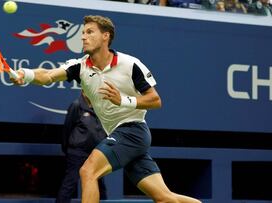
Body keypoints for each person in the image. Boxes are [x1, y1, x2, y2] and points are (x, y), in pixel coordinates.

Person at [12, 15, 201, 203]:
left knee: (88, 171)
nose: (83, 37)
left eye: (89, 32)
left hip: (132, 130)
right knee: (165, 198)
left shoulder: (130, 64)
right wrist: (25, 74)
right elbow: (48, 75)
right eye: (83, 33)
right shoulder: (80, 67)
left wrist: (123, 100)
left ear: (106, 36)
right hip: (120, 134)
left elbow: (155, 100)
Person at [56, 91, 107, 203]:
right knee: (70, 183)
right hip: (77, 152)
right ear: (83, 91)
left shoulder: (101, 107)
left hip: (96, 153)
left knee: (100, 185)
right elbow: (67, 128)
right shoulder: (76, 105)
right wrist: (68, 148)